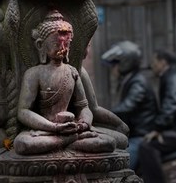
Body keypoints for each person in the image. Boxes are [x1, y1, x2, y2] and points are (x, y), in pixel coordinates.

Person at [13, 10, 116, 155]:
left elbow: (84, 107)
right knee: (22, 144)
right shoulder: (34, 73)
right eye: (57, 44)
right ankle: (67, 142)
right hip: (45, 130)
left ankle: (65, 141)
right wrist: (53, 127)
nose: (62, 48)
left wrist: (84, 123)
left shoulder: (72, 71)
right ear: (40, 45)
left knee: (109, 142)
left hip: (71, 129)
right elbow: (23, 112)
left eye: (66, 44)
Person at [138, 50, 176, 183]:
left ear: (162, 62)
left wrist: (157, 129)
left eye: (154, 62)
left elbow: (171, 105)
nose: (152, 66)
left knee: (147, 146)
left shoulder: (172, 78)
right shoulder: (169, 76)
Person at [101, 41, 158, 170]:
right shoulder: (129, 80)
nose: (113, 68)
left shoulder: (138, 82)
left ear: (125, 64)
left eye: (115, 63)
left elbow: (127, 106)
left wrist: (103, 115)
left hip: (140, 136)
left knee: (119, 169)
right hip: (131, 134)